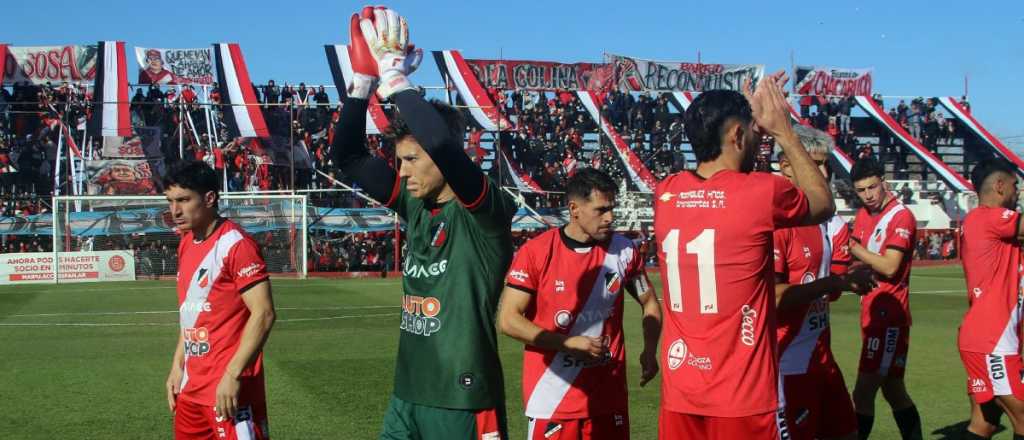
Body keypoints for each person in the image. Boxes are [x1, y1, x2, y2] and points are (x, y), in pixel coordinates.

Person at [333, 7, 516, 439]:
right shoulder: (415, 204)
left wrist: (396, 79)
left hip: (463, 399)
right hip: (407, 394)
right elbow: (349, 157)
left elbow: (441, 143)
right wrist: (362, 86)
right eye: (399, 161)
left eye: (412, 160)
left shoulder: (484, 212)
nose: (403, 172)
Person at [654, 72, 835, 439]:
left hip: (681, 392)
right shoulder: (759, 192)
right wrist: (784, 131)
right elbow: (823, 203)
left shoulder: (667, 193)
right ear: (736, 135)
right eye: (754, 133)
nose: (759, 140)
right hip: (742, 396)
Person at [498, 168, 662, 440]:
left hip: (609, 397)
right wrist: (566, 342)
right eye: (601, 210)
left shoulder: (624, 251)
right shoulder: (536, 252)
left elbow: (650, 303)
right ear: (574, 209)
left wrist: (649, 350)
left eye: (612, 208)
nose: (610, 218)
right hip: (552, 399)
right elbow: (508, 320)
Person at [774, 125, 876, 440]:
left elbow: (825, 293)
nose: (823, 172)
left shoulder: (820, 220)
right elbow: (774, 298)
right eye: (814, 163)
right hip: (788, 364)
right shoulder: (777, 221)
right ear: (787, 165)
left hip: (821, 356)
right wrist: (838, 282)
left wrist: (843, 283)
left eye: (825, 165)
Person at [163, 161, 275, 439]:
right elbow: (192, 313)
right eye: (170, 201)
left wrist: (232, 375)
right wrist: (177, 366)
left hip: (227, 389)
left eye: (184, 200)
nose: (175, 210)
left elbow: (263, 313)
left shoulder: (237, 246)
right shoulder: (187, 242)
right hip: (191, 389)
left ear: (210, 198)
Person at [847, 158, 922, 439]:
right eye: (861, 190)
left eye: (872, 187)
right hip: (871, 311)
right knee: (894, 391)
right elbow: (862, 262)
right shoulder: (864, 214)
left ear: (884, 182)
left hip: (888, 318)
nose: (868, 195)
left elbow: (890, 266)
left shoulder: (900, 216)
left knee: (863, 392)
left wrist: (854, 250)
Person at [958, 159, 1024, 440]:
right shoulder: (987, 217)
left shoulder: (992, 227)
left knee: (984, 424)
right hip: (992, 341)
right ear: (999, 185)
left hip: (991, 338)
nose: (1018, 191)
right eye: (1015, 185)